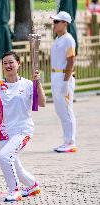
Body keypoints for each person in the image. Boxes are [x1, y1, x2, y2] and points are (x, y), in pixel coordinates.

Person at [0, 51, 46, 202]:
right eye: (5, 63)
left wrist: (38, 83)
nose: (8, 65)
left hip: (23, 130)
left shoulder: (28, 84)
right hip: (4, 133)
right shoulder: (0, 85)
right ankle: (32, 186)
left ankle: (14, 191)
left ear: (19, 64)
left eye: (11, 62)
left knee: (4, 157)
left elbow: (42, 103)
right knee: (15, 165)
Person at [50, 11, 77, 153]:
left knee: (66, 110)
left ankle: (70, 142)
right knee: (60, 111)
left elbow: (71, 61)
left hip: (63, 77)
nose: (53, 24)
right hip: (56, 76)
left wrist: (66, 82)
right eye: (54, 21)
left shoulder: (68, 39)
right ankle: (66, 141)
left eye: (56, 22)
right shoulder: (58, 39)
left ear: (64, 23)